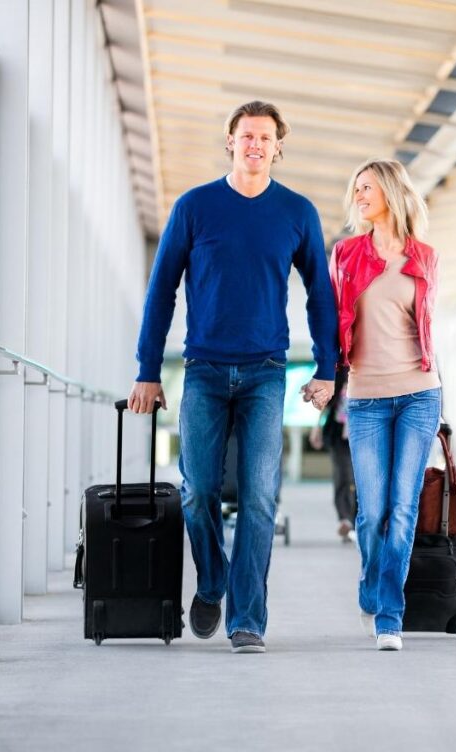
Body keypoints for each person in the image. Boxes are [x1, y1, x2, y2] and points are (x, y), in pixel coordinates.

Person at [128, 101, 338, 654]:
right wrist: (148, 370)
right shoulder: (194, 207)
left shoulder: (297, 212)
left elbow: (320, 294)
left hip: (266, 373)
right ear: (230, 141)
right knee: (197, 490)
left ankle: (248, 618)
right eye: (246, 135)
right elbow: (161, 290)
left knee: (260, 496)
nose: (255, 145)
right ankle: (212, 581)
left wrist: (327, 367)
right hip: (203, 370)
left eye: (265, 137)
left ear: (278, 146)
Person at [330, 159, 441, 651]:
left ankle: (389, 617)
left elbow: (425, 327)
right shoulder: (346, 254)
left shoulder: (425, 257)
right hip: (367, 397)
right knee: (372, 512)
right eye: (356, 189)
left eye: (367, 187)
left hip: (419, 393)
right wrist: (325, 378)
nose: (358, 196)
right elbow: (332, 321)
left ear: (392, 193)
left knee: (402, 508)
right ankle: (371, 588)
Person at [308, 366, 357, 542]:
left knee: (359, 479)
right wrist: (317, 427)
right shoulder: (340, 371)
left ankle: (356, 521)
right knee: (343, 475)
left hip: (363, 433)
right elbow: (327, 402)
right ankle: (345, 519)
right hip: (338, 433)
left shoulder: (371, 369)